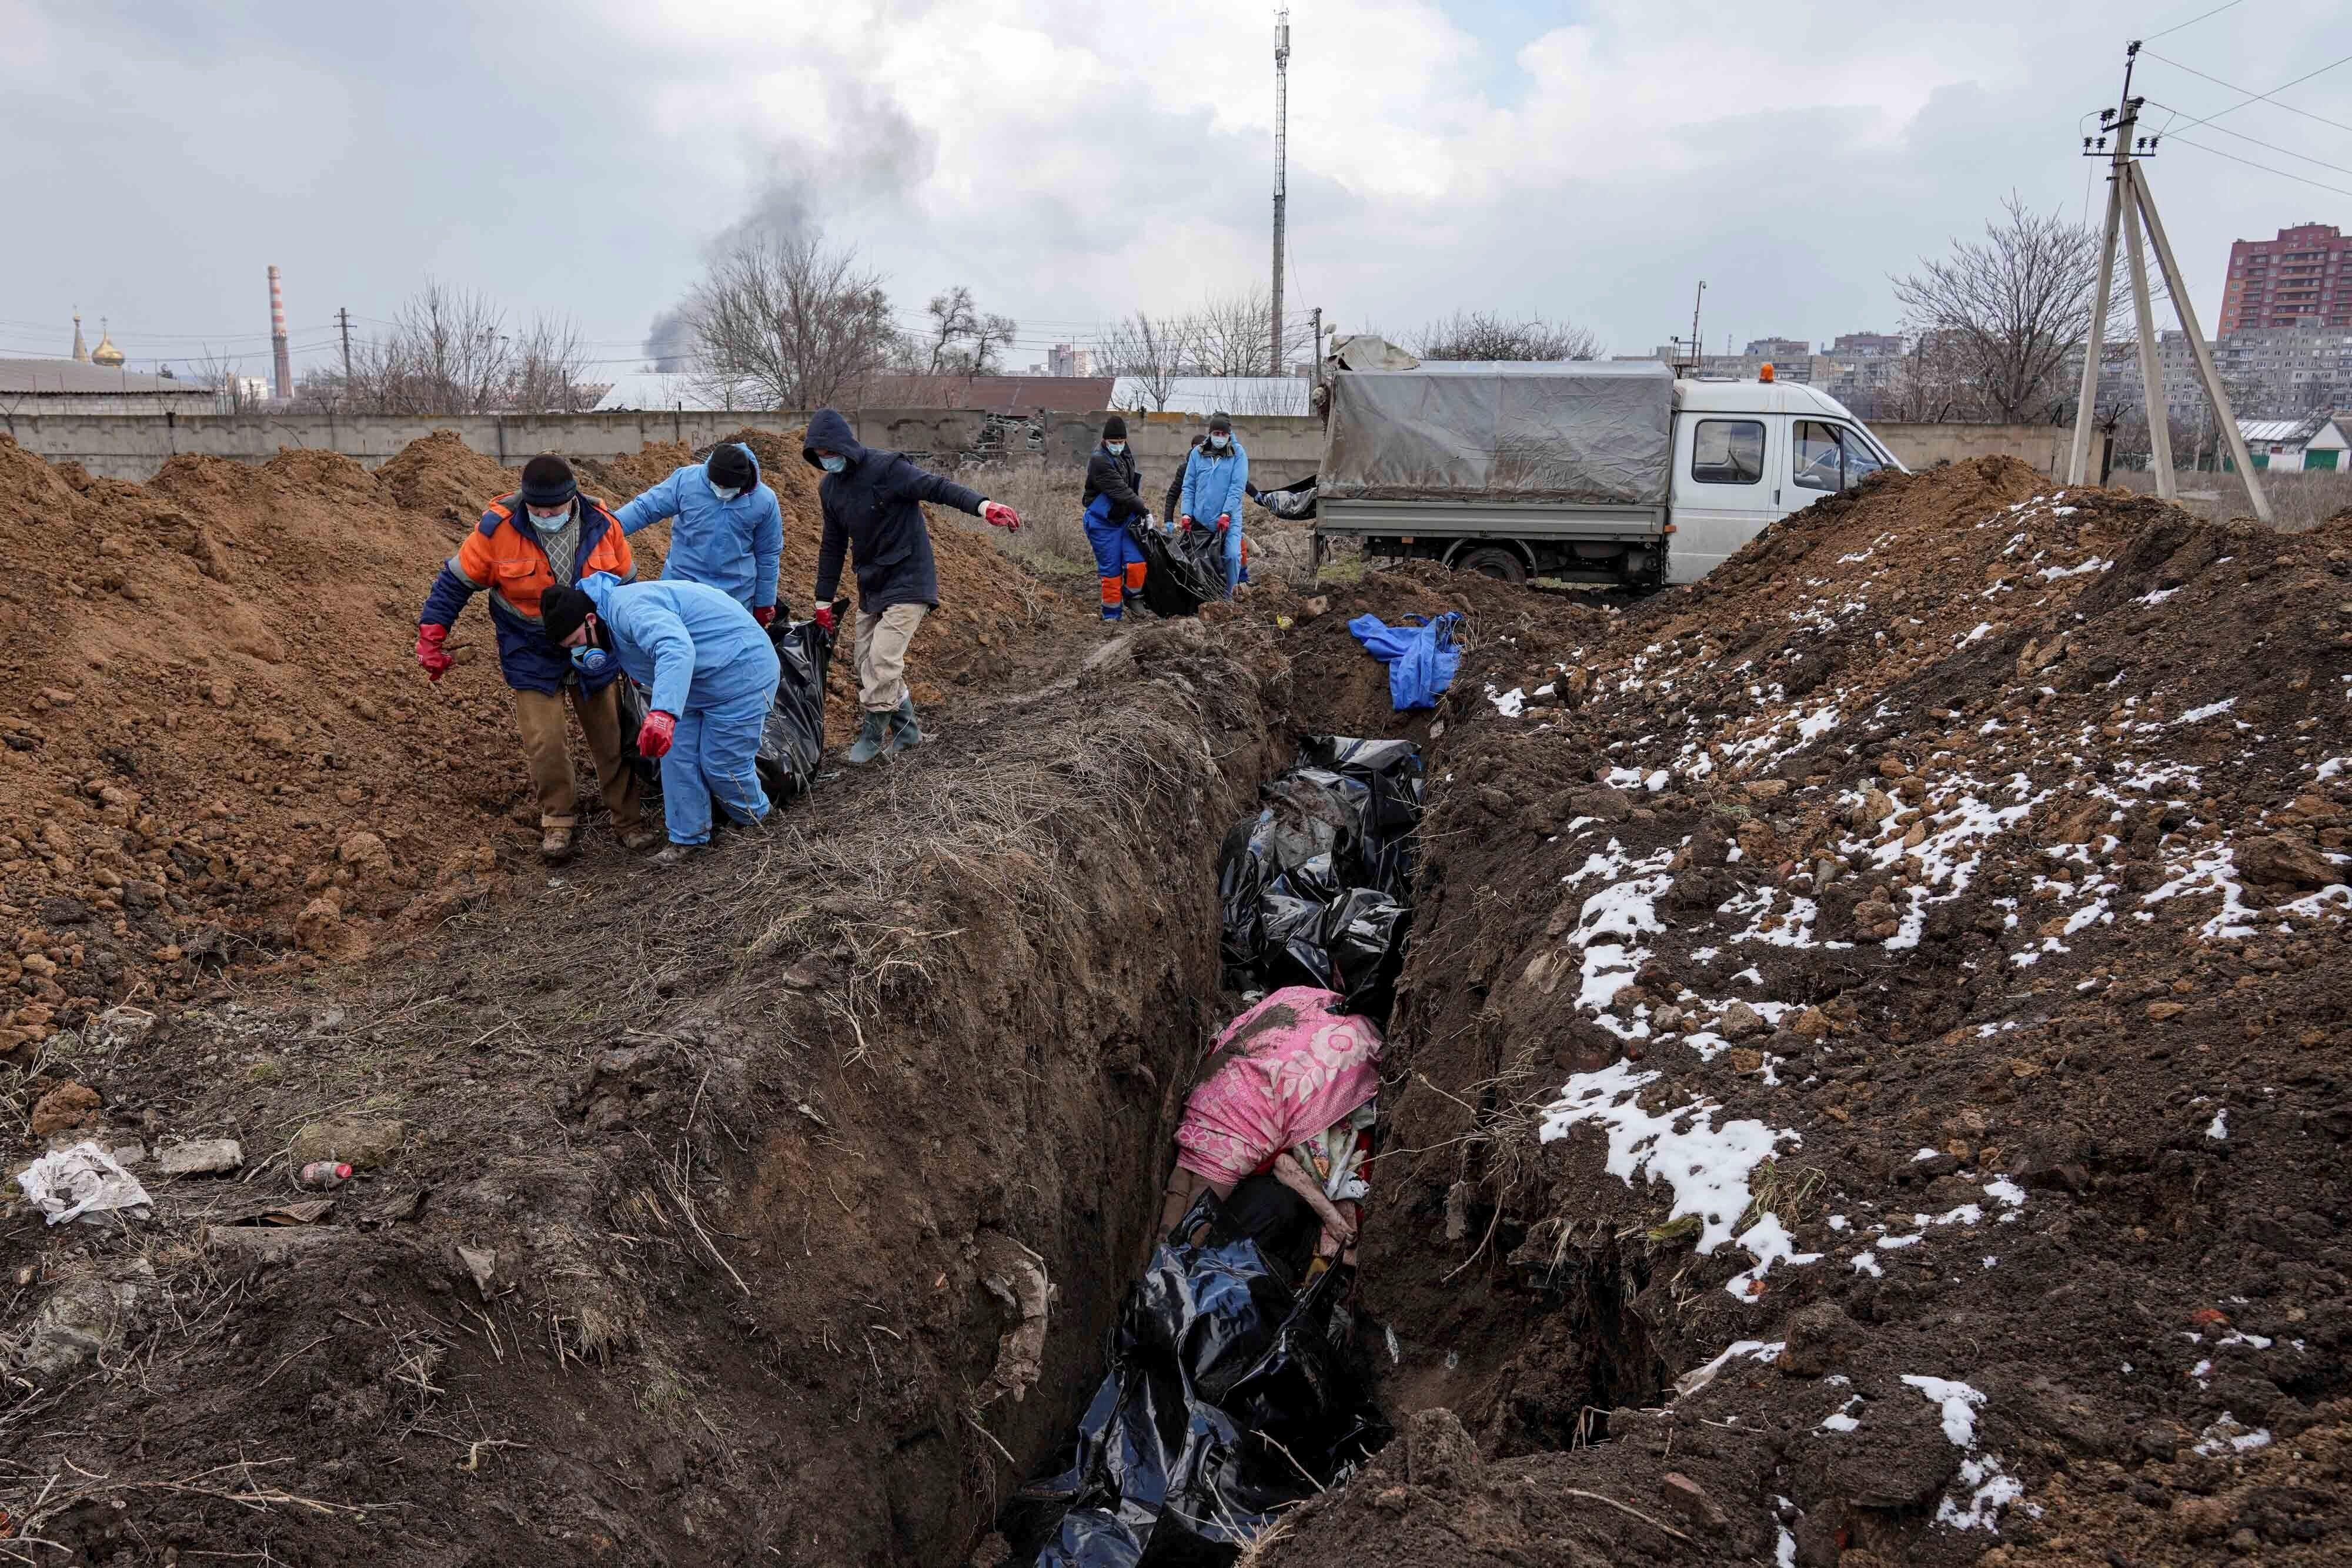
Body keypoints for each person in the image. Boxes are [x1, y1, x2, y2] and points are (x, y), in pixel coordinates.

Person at [416, 453, 653, 863]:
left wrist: (637, 654)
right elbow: (454, 582)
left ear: (572, 498)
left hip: (591, 640)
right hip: (530, 645)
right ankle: (558, 820)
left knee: (610, 734)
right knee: (544, 740)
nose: (546, 515)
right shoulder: (496, 530)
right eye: (537, 509)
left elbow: (630, 591)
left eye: (554, 508)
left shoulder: (603, 525)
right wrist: (432, 633)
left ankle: (629, 821)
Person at [802, 407, 1022, 763]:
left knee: (883, 659)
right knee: (864, 664)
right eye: (820, 457)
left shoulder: (888, 469)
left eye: (831, 454)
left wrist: (983, 506)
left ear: (844, 446)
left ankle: (872, 738)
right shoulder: (830, 490)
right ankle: (908, 733)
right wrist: (822, 601)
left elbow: (937, 487)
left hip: (909, 576)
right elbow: (832, 546)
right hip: (871, 582)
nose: (827, 462)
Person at [539, 573, 780, 865]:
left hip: (740, 672)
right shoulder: (608, 622)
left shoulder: (630, 610)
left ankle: (759, 824)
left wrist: (663, 713)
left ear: (590, 620)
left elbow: (675, 649)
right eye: (570, 649)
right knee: (676, 758)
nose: (579, 652)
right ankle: (688, 839)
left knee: (722, 763)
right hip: (697, 682)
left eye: (576, 641)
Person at [612, 442, 786, 621]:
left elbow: (768, 554)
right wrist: (607, 529)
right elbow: (645, 509)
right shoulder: (687, 481)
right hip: (681, 587)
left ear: (743, 482)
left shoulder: (764, 501)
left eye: (728, 488)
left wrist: (764, 603)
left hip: (734, 596)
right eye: (718, 485)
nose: (722, 492)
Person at [1081, 414, 1152, 621]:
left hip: (1125, 517)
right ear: (1105, 441)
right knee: (1111, 571)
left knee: (1137, 563)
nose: (1119, 446)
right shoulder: (1099, 461)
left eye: (1122, 442)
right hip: (1102, 522)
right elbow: (1121, 490)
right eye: (1114, 443)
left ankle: (1132, 596)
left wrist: (1137, 511)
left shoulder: (1125, 453)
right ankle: (1112, 615)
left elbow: (1130, 486)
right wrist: (1144, 511)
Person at [1178, 410, 1250, 596]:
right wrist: (1186, 513)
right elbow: (1189, 486)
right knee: (1199, 558)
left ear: (1229, 434)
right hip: (1202, 518)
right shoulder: (1198, 453)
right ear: (1210, 433)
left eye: (1223, 434)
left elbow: (1237, 487)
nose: (1219, 437)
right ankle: (1205, 595)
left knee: (1232, 556)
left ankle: (1229, 596)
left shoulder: (1238, 454)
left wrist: (1226, 513)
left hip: (1229, 518)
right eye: (1216, 434)